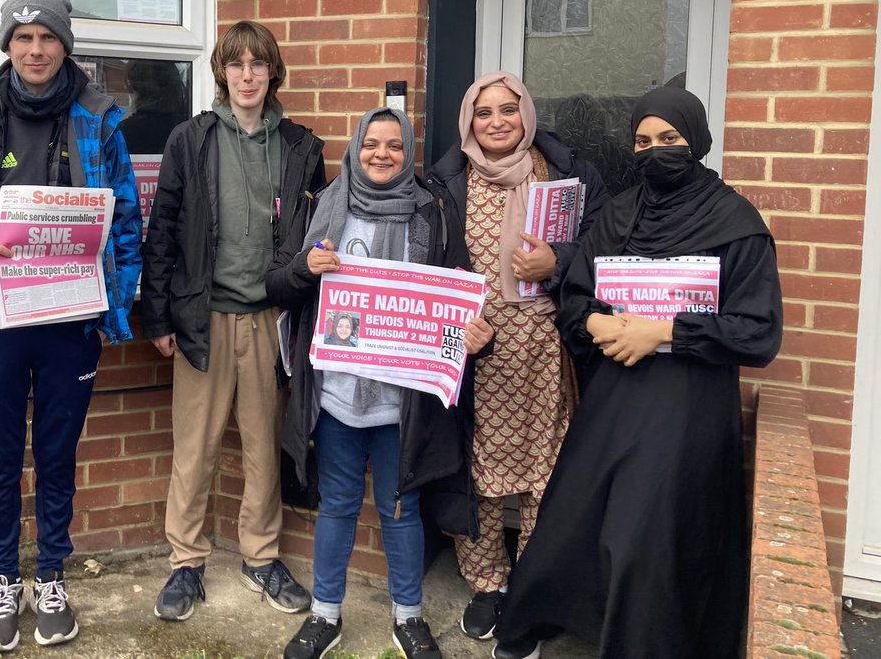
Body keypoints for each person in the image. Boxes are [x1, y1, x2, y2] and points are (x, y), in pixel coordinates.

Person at [492, 86, 783, 659]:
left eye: (670, 140)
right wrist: (595, 325)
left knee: (643, 535)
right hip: (615, 396)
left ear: (696, 141)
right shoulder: (620, 212)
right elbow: (576, 294)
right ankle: (541, 621)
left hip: (687, 406)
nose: (656, 151)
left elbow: (758, 332)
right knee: (572, 516)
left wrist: (666, 330)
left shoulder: (736, 220)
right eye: (643, 141)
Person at [0, 0, 142, 652]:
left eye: (47, 37)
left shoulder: (100, 120)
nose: (35, 50)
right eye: (23, 38)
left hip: (70, 316)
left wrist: (115, 303)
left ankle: (52, 578)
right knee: (1, 453)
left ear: (65, 44)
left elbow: (126, 221)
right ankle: (4, 579)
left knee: (58, 452)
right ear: (7, 46)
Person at [267, 107, 494, 659]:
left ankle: (408, 616)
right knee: (339, 506)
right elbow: (279, 282)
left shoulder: (432, 212)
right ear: (356, 146)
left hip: (402, 403)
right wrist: (306, 270)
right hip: (339, 396)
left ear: (409, 151)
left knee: (401, 511)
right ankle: (325, 615)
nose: (382, 155)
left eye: (395, 145)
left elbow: (455, 292)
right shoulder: (326, 205)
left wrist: (468, 332)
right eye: (372, 144)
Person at [141, 20, 325, 623]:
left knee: (262, 451)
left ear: (273, 72)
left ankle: (260, 556)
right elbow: (161, 231)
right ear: (222, 73)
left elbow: (313, 237)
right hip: (204, 317)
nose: (247, 75)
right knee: (193, 449)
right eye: (236, 64)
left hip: (270, 320)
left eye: (258, 64)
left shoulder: (301, 146)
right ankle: (186, 563)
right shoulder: (190, 140)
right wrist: (160, 315)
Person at [425, 72, 607, 643]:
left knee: (543, 471)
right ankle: (487, 582)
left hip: (544, 347)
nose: (497, 122)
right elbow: (425, 265)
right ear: (468, 122)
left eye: (508, 110)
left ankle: (529, 578)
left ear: (526, 114)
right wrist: (454, 321)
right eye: (484, 113)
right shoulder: (444, 183)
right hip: (475, 350)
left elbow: (606, 242)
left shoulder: (565, 173)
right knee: (473, 469)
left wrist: (559, 262)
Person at [119, 59, 190, 155]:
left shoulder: (127, 131)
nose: (125, 87)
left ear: (139, 87)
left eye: (129, 82)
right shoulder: (187, 123)